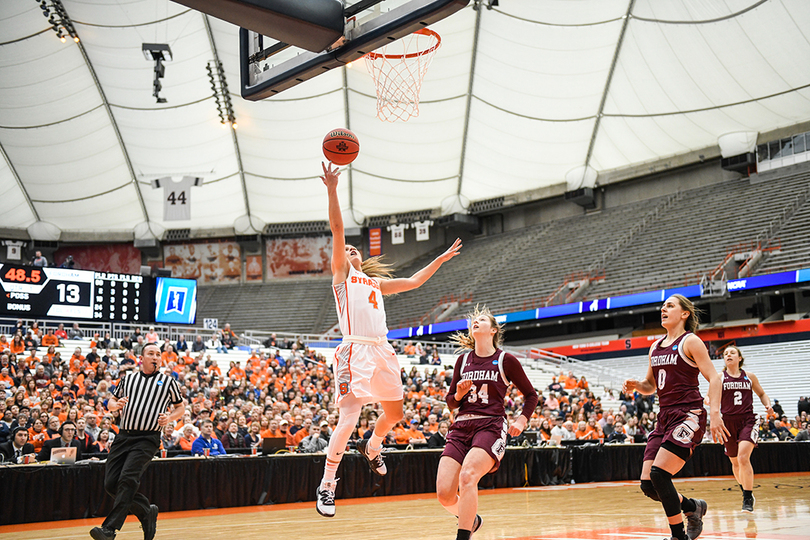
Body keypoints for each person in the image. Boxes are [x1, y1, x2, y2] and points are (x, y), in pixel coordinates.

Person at [315, 161, 462, 518]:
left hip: (382, 349)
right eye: (346, 249)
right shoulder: (341, 276)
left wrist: (439, 260)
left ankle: (373, 445)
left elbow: (413, 283)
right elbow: (337, 228)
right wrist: (332, 189)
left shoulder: (374, 283)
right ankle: (327, 485)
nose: (349, 250)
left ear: (362, 257)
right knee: (348, 419)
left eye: (354, 249)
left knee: (394, 412)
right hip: (354, 348)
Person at [623, 295, 727, 540]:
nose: (663, 309)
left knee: (660, 474)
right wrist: (638, 384)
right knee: (648, 484)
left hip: (688, 414)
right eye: (663, 306)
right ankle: (692, 507)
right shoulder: (655, 346)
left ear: (684, 314)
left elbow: (715, 377)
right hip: (664, 416)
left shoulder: (690, 341)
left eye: (670, 305)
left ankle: (678, 536)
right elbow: (651, 385)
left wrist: (715, 414)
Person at [436, 305, 539, 540]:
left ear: (493, 330)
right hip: (461, 426)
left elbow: (531, 395)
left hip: (490, 425)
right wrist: (460, 395)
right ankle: (472, 521)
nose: (475, 321)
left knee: (468, 476)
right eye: (473, 320)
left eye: (481, 319)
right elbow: (451, 402)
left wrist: (522, 419)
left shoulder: (505, 359)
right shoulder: (462, 361)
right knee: (444, 495)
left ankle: (463, 536)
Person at [90, 343, 185, 540]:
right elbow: (111, 401)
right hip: (124, 436)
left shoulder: (169, 382)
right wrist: (116, 405)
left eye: (158, 354)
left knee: (127, 479)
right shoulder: (128, 379)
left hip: (147, 438)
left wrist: (170, 418)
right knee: (111, 484)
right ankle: (145, 511)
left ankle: (110, 529)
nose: (156, 357)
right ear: (141, 358)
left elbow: (180, 408)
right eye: (151, 353)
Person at [717, 345, 772, 513]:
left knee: (742, 458)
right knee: (734, 461)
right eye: (726, 353)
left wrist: (768, 405)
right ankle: (745, 490)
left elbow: (761, 394)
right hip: (727, 423)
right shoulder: (719, 378)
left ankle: (747, 498)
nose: (728, 355)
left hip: (748, 420)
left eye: (732, 352)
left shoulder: (749, 377)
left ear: (739, 358)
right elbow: (710, 397)